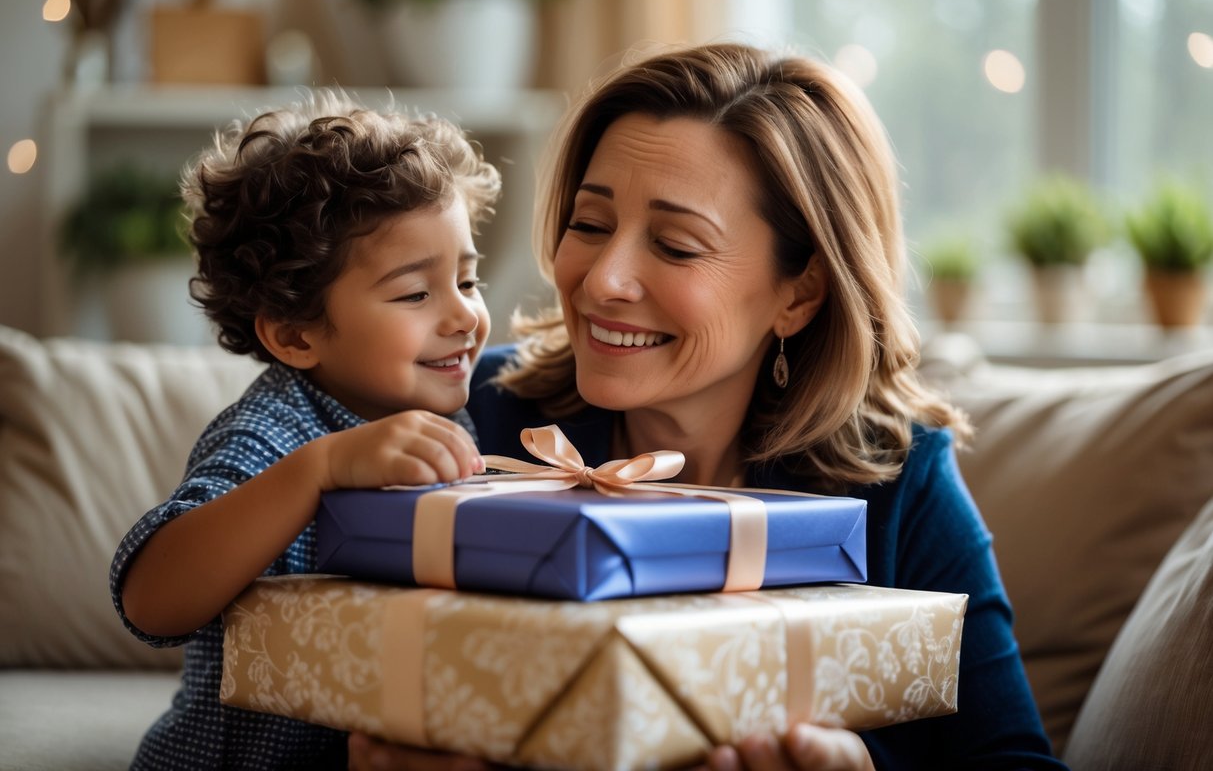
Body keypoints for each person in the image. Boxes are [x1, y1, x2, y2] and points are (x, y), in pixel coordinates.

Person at [348, 43, 1066, 770]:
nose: (602, 281)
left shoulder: (895, 481)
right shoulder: (468, 416)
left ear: (799, 293)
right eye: (590, 225)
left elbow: (1013, 759)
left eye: (676, 245)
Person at [109, 92, 499, 770]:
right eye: (415, 293)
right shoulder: (275, 432)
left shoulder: (453, 419)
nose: (464, 316)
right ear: (294, 334)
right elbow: (151, 600)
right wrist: (319, 470)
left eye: (468, 279)